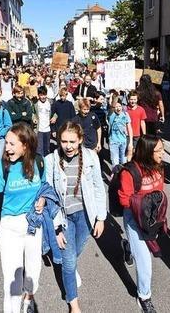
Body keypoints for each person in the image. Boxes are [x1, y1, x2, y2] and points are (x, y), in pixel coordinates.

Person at [0, 123, 45, 313]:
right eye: (7, 144)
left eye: (13, 144)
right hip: (10, 227)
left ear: (25, 145)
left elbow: (44, 189)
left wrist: (43, 200)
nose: (8, 148)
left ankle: (29, 299)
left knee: (33, 272)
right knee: (12, 280)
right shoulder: (0, 168)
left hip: (34, 224)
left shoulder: (39, 162)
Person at [44, 122, 107, 313]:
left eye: (72, 141)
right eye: (64, 141)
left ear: (80, 140)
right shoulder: (51, 160)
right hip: (64, 218)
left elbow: (98, 186)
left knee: (73, 254)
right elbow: (50, 195)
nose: (68, 146)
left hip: (86, 216)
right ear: (58, 140)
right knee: (69, 261)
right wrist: (56, 227)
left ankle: (68, 269)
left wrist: (101, 218)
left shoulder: (90, 157)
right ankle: (74, 304)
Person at [117, 135, 166, 313]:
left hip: (151, 218)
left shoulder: (159, 166)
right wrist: (143, 204)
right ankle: (144, 296)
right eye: (158, 150)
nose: (162, 153)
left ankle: (127, 246)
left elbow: (161, 190)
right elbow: (124, 200)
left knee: (139, 250)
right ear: (147, 151)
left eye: (163, 149)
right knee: (145, 260)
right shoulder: (129, 172)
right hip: (135, 219)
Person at [108, 101, 133, 167]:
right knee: (115, 162)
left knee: (123, 160)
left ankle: (123, 175)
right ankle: (115, 175)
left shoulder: (125, 114)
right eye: (116, 107)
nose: (118, 108)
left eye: (119, 106)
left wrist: (130, 142)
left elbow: (129, 128)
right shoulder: (111, 115)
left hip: (123, 141)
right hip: (113, 142)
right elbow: (111, 106)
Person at [35, 86, 53, 157]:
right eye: (41, 95)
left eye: (44, 95)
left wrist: (54, 117)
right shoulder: (36, 103)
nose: (43, 97)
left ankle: (47, 163)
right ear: (38, 95)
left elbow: (55, 111)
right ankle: (40, 164)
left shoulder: (50, 102)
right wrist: (34, 119)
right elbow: (33, 113)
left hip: (47, 128)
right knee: (39, 149)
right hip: (39, 129)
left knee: (47, 148)